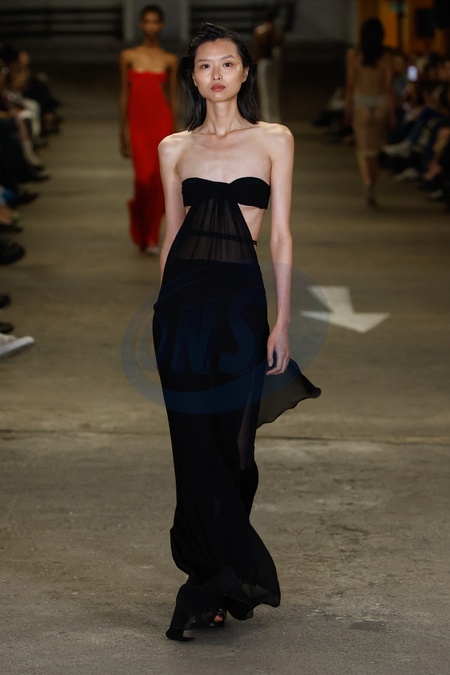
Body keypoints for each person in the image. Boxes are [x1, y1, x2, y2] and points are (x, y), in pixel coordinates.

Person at [153, 22, 320, 642]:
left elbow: (280, 236)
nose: (216, 74)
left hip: (240, 303)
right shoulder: (174, 148)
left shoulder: (275, 139)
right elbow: (171, 234)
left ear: (246, 72)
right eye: (204, 65)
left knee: (236, 447)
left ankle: (224, 566)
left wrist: (283, 319)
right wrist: (160, 310)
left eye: (227, 63)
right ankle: (209, 581)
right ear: (193, 78)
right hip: (182, 307)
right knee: (192, 444)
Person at [119, 4, 178, 254]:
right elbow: (124, 94)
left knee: (157, 182)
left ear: (161, 25)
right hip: (138, 125)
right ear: (141, 25)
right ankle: (140, 225)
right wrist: (121, 132)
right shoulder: (128, 56)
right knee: (142, 180)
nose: (151, 26)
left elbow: (173, 98)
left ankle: (152, 237)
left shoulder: (169, 59)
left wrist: (176, 135)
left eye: (155, 22)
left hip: (161, 123)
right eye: (147, 21)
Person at [345, 18, 395, 206]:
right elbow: (388, 87)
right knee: (377, 148)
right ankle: (373, 181)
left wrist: (347, 107)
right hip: (381, 102)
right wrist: (392, 113)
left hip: (362, 102)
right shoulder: (386, 57)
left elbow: (350, 84)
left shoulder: (354, 55)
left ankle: (368, 181)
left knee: (364, 149)